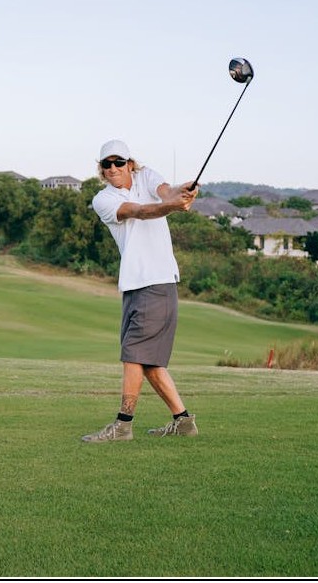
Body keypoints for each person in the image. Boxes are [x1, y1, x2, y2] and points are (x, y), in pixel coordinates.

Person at [81, 139, 199, 443]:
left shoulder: (146, 176)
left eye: (119, 162)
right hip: (137, 284)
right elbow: (140, 211)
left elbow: (167, 192)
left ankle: (123, 425)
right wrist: (173, 205)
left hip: (154, 282)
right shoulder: (103, 199)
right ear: (101, 169)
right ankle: (183, 421)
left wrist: (183, 192)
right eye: (106, 164)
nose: (112, 168)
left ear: (130, 164)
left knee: (134, 355)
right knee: (147, 361)